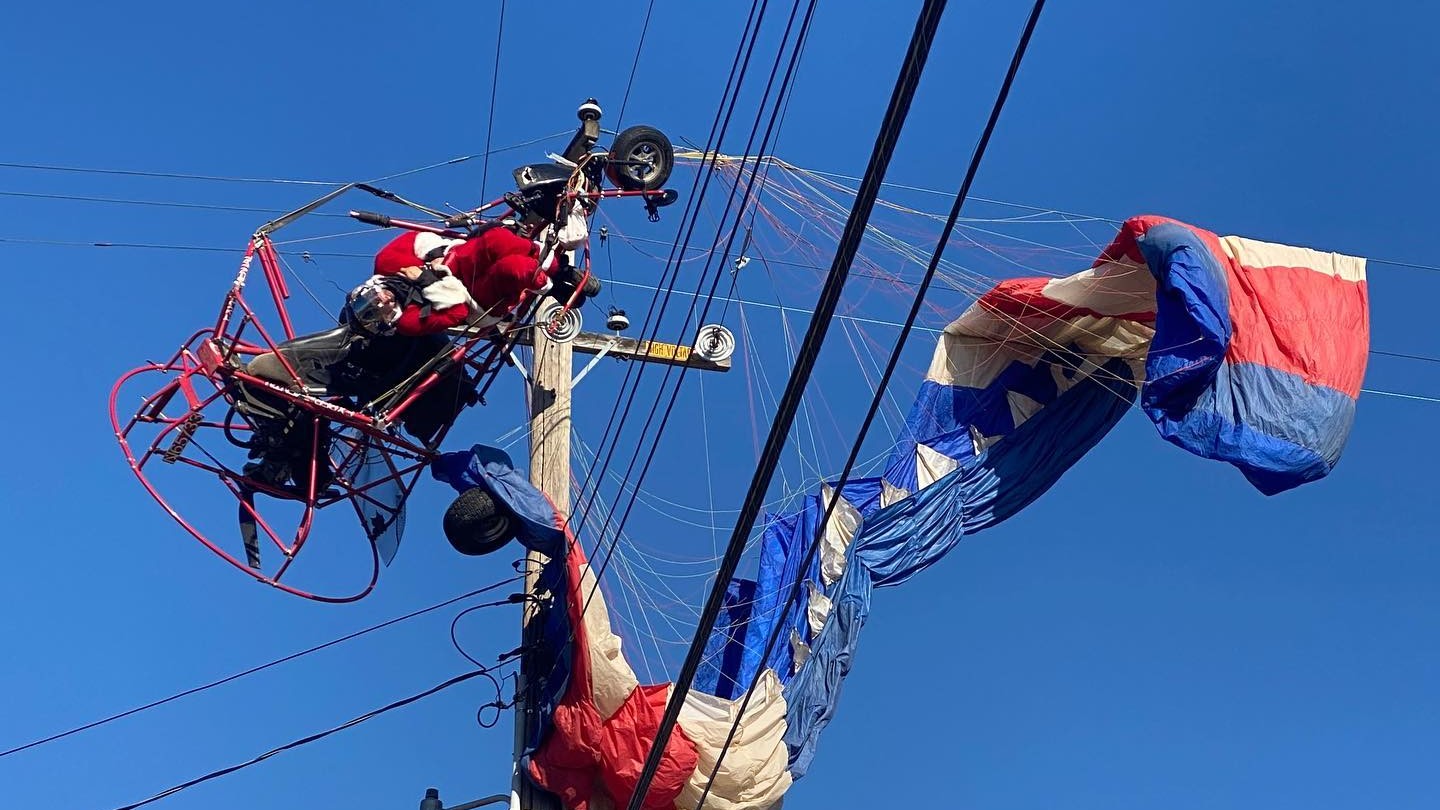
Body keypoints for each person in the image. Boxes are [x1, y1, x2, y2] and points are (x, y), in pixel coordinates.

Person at [237, 225, 554, 491]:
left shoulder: (417, 312)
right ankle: (289, 453)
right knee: (290, 371)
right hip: (378, 364)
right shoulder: (403, 291)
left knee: (283, 374)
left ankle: (292, 454)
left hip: (396, 369)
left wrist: (431, 282)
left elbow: (450, 309)